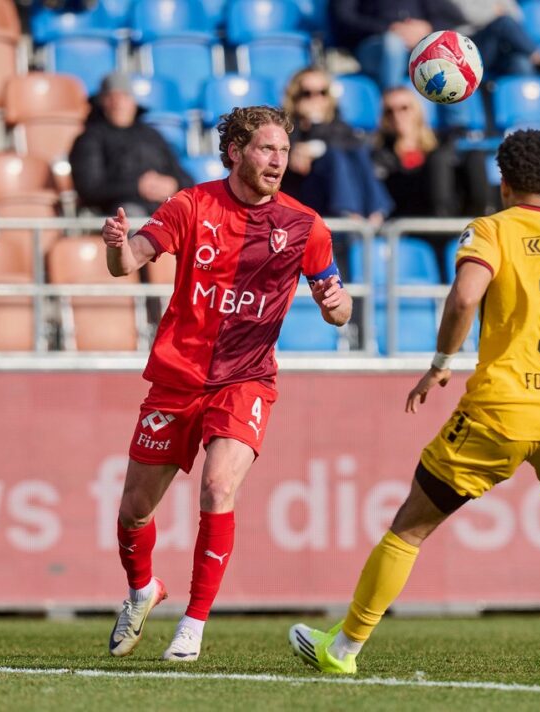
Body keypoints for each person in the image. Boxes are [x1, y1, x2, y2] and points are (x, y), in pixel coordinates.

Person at [288, 129, 540, 675]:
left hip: (501, 407)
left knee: (410, 527)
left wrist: (439, 364)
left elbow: (464, 295)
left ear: (502, 182)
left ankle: (343, 649)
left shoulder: (491, 230)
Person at [100, 105, 352, 662]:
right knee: (133, 512)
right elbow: (128, 262)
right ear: (235, 151)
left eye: (284, 152)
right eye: (266, 149)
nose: (278, 161)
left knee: (218, 487)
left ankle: (193, 623)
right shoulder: (192, 205)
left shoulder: (305, 225)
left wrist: (339, 305)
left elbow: (338, 304)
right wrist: (117, 244)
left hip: (247, 378)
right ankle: (143, 589)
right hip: (176, 378)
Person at [70, 72, 193, 217]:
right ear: (102, 102)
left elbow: (186, 178)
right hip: (121, 215)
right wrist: (137, 187)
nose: (118, 103)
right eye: (111, 97)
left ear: (133, 102)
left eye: (124, 96)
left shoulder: (152, 135)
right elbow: (89, 189)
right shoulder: (90, 138)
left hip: (163, 208)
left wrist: (174, 184)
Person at [280, 67, 392, 225]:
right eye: (307, 93)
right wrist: (313, 126)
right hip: (303, 196)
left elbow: (353, 144)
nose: (315, 99)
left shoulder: (338, 125)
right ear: (295, 97)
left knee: (357, 152)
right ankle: (348, 215)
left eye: (322, 92)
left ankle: (376, 212)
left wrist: (315, 146)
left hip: (337, 197)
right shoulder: (286, 128)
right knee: (333, 154)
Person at [373, 86, 492, 219]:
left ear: (416, 110)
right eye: (389, 111)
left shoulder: (440, 144)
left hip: (448, 211)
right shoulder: (381, 154)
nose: (397, 116)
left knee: (473, 157)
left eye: (404, 108)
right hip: (410, 216)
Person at [331, 0, 465, 90]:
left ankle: (458, 127)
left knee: (447, 47)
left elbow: (453, 17)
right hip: (373, 47)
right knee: (393, 43)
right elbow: (344, 18)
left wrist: (427, 27)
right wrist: (389, 29)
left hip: (416, 47)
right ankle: (391, 107)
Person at [455, 0, 540, 83]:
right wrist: (495, 13)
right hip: (470, 47)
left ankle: (529, 113)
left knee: (521, 63)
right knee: (503, 23)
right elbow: (468, 15)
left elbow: (517, 16)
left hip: (499, 47)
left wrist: (494, 15)